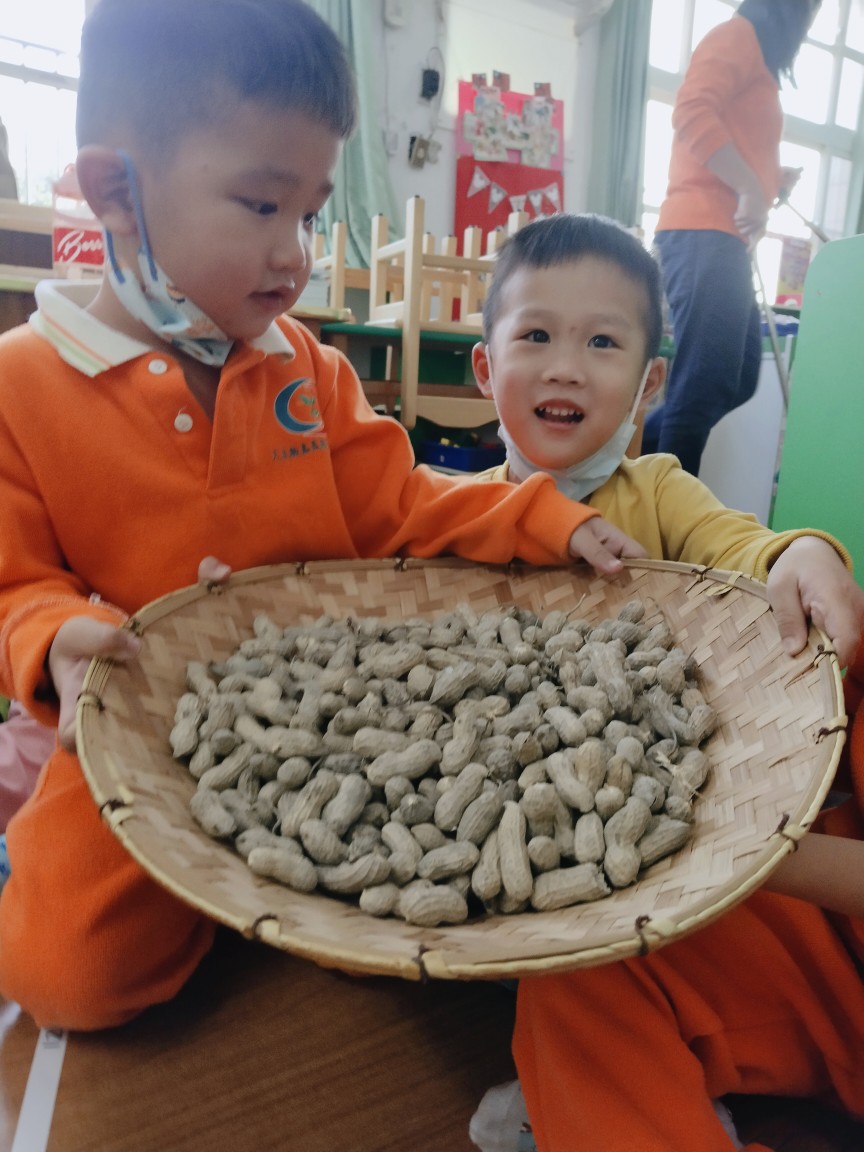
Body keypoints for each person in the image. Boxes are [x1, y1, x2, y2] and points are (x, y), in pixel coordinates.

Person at [0, 0, 646, 1034]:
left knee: (429, 901)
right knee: (69, 976)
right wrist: (56, 640)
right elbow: (13, 585)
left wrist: (542, 517)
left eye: (310, 212)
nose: (294, 254)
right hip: (142, 729)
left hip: (346, 722)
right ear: (117, 192)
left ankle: (277, 894)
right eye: (262, 206)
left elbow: (405, 502)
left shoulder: (308, 369)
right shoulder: (23, 386)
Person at [470, 211, 864, 1150]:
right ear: (485, 368)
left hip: (678, 826)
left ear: (651, 384)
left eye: (602, 343)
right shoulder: (460, 512)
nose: (566, 368)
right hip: (568, 834)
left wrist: (800, 549)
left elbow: (740, 545)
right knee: (570, 977)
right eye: (536, 336)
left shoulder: (658, 490)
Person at [641, 0, 821, 476]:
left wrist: (769, 180)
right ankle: (667, 507)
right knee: (703, 385)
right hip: (701, 233)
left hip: (722, 239)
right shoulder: (736, 35)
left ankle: (634, 459)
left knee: (735, 378)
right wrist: (749, 187)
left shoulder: (755, 55)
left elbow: (732, 138)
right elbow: (691, 111)